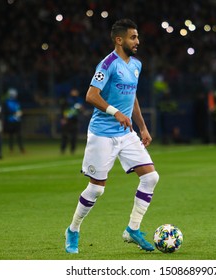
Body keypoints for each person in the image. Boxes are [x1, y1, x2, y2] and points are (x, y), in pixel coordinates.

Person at [65, 19, 159, 254]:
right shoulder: (108, 64)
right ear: (119, 40)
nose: (137, 41)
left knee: (151, 177)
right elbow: (91, 95)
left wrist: (143, 127)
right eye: (133, 37)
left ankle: (132, 229)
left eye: (137, 37)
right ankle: (73, 230)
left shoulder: (136, 65)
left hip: (126, 133)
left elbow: (132, 97)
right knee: (97, 189)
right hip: (102, 134)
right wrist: (114, 112)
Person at [60, 88, 84, 154]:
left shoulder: (79, 100)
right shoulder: (67, 100)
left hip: (75, 120)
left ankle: (72, 150)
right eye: (73, 91)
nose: (74, 93)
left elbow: (82, 110)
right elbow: (63, 109)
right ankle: (63, 150)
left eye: (76, 91)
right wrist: (63, 118)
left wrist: (81, 108)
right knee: (65, 136)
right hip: (67, 120)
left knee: (74, 137)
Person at [4, 88, 25, 153]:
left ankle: (21, 149)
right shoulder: (7, 102)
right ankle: (11, 149)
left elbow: (19, 110)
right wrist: (14, 113)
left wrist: (20, 113)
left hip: (17, 120)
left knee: (19, 135)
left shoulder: (17, 102)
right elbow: (6, 111)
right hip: (10, 121)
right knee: (11, 136)